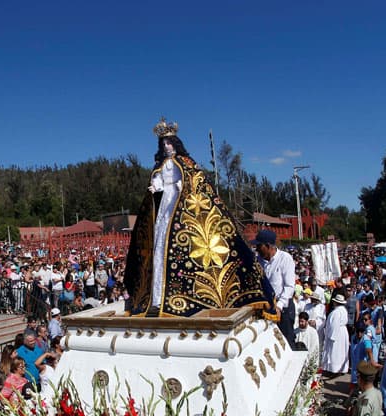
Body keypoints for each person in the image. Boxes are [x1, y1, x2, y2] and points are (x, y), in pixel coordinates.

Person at [123, 118, 274, 318]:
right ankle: (158, 298)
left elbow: (195, 181)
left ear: (175, 144)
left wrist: (181, 186)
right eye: (163, 144)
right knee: (161, 246)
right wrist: (156, 187)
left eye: (169, 143)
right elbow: (158, 181)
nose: (167, 147)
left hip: (182, 204)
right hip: (165, 206)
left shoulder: (186, 163)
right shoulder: (161, 165)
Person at [252, 229, 296, 345]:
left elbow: (289, 286)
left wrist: (279, 306)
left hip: (283, 309)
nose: (256, 249)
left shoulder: (285, 259)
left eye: (259, 246)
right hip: (266, 308)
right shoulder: (258, 261)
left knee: (285, 342)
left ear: (268, 246)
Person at [322, 294, 351, 376]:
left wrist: (331, 335)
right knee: (341, 351)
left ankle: (334, 369)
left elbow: (334, 325)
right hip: (342, 332)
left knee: (336, 351)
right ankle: (341, 368)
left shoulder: (336, 312)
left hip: (337, 333)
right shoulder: (344, 310)